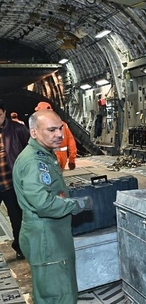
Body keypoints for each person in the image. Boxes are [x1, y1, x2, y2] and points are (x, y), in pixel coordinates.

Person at [12, 110, 93, 303]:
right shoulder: (34, 162)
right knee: (58, 294)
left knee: (58, 287)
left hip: (51, 233)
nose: (59, 134)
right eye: (51, 130)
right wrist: (77, 204)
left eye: (60, 128)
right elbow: (43, 204)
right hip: (46, 237)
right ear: (34, 132)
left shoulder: (44, 154)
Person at [0, 101, 29, 260]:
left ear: (4, 113)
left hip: (11, 184)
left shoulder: (17, 129)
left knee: (17, 218)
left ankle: (20, 247)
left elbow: (31, 149)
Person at [35, 102, 77, 171]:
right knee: (59, 176)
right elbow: (71, 141)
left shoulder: (41, 126)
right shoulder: (63, 124)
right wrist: (72, 159)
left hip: (49, 155)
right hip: (63, 155)